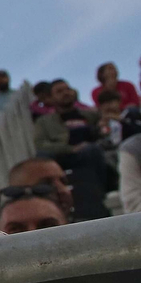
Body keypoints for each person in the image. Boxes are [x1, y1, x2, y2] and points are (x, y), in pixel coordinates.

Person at [32, 79, 110, 220]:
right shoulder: (44, 122)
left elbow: (105, 128)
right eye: (59, 91)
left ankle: (101, 190)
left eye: (67, 89)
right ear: (50, 98)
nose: (65, 93)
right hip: (62, 158)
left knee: (93, 150)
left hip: (89, 156)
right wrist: (70, 148)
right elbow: (41, 144)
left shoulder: (89, 115)